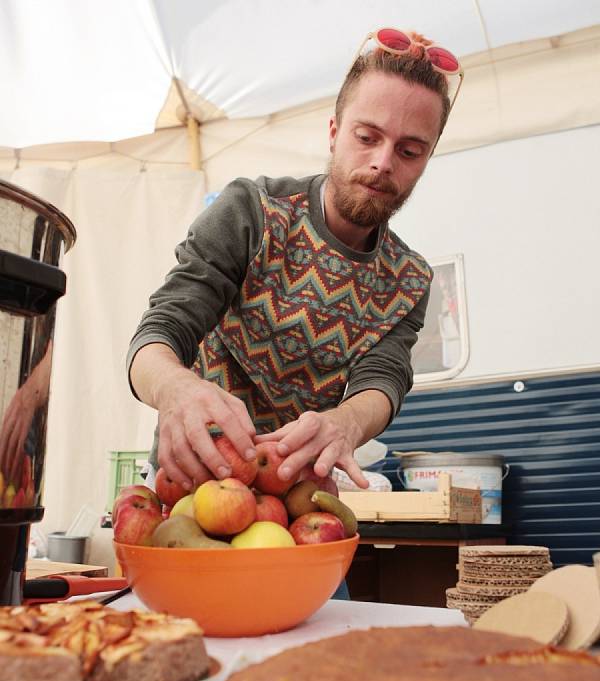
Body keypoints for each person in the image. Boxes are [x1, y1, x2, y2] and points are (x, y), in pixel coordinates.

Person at [128, 28, 463, 523]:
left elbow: (384, 379)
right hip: (196, 495)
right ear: (334, 132)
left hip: (300, 511)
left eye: (410, 151)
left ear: (427, 159)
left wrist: (346, 423)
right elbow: (159, 333)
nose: (382, 162)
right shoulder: (252, 213)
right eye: (367, 137)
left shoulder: (408, 280)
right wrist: (176, 390)